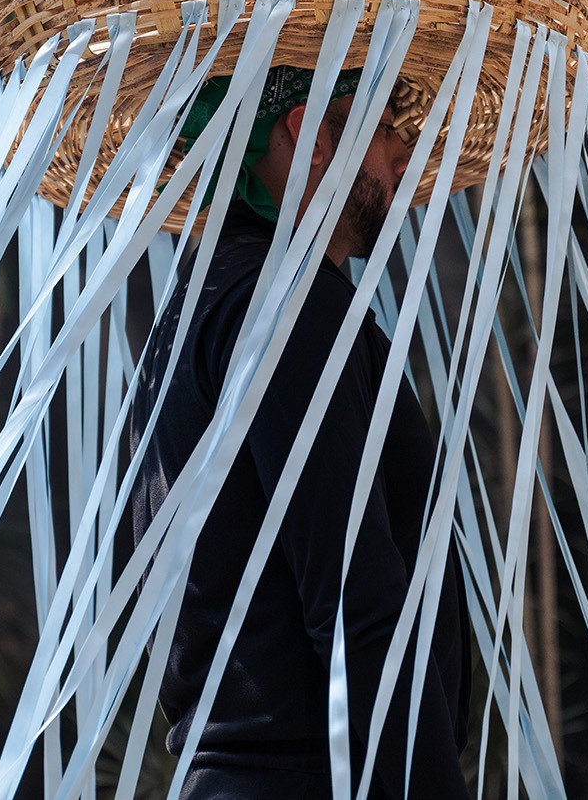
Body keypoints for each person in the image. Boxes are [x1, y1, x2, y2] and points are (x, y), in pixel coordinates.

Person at [126, 67, 473, 800]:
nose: (404, 157)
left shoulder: (202, 303)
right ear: (311, 135)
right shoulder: (284, 301)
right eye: (381, 129)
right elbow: (355, 599)